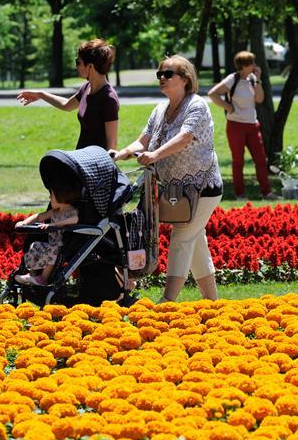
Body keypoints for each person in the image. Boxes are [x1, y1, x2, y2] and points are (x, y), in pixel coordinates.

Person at [114, 55, 223, 303]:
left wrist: (154, 155)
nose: (162, 78)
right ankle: (213, 302)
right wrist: (124, 153)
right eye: (159, 74)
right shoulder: (160, 109)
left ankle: (168, 301)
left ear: (185, 79)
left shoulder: (197, 105)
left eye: (168, 74)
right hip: (177, 190)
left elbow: (185, 137)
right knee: (195, 243)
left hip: (203, 187)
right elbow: (143, 140)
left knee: (182, 236)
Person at [17, 39, 119, 151]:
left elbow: (112, 145)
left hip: (95, 164)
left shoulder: (108, 98)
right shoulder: (86, 88)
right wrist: (41, 94)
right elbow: (66, 105)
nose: (76, 66)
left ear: (90, 66)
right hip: (81, 158)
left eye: (78, 62)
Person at [208, 51, 277, 201]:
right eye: (252, 63)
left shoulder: (253, 79)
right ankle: (240, 194)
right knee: (238, 161)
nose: (254, 66)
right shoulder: (232, 79)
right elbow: (212, 93)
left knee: (260, 159)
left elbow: (260, 99)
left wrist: (258, 80)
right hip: (235, 125)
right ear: (244, 65)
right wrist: (228, 107)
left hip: (252, 125)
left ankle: (267, 192)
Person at [14, 180, 81, 286]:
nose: (49, 198)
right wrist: (24, 222)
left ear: (61, 197)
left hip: (63, 246)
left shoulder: (71, 211)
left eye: (52, 196)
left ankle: (43, 278)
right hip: (51, 244)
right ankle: (32, 275)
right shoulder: (55, 211)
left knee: (53, 249)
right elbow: (39, 216)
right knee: (35, 245)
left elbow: (75, 219)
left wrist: (54, 225)